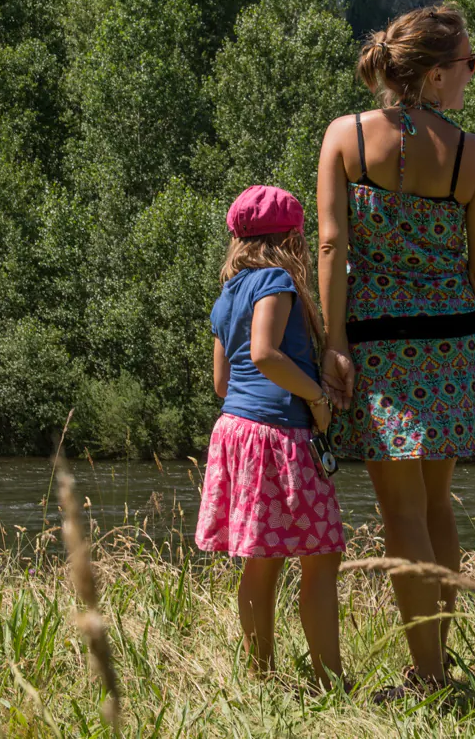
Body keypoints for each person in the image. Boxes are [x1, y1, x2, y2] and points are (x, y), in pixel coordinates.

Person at [315, 4, 475, 698]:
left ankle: (429, 676)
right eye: (468, 63)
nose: (471, 75)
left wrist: (333, 343)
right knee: (437, 507)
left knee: (403, 514)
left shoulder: (344, 137)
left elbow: (331, 246)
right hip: (455, 345)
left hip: (379, 349)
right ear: (434, 75)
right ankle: (439, 664)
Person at [196, 185, 345, 688]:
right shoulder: (277, 281)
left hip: (236, 431)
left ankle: (261, 677)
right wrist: (318, 400)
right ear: (291, 239)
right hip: (279, 434)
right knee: (322, 556)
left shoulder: (226, 296)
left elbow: (222, 383)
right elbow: (264, 353)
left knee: (262, 562)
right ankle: (330, 681)